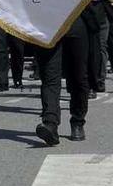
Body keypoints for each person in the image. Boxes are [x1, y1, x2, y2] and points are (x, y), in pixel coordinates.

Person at [34, 15, 90, 145]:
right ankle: (50, 123)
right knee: (50, 77)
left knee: (79, 76)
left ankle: (78, 120)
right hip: (47, 24)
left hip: (76, 19)